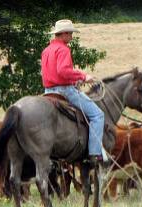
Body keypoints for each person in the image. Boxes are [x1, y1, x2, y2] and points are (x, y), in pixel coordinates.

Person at [41, 19, 105, 163]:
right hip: (64, 91)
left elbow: (52, 73)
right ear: (62, 34)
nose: (71, 36)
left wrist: (73, 79)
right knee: (97, 115)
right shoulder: (63, 49)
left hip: (47, 91)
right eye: (70, 33)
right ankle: (95, 153)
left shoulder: (46, 50)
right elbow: (63, 71)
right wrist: (84, 77)